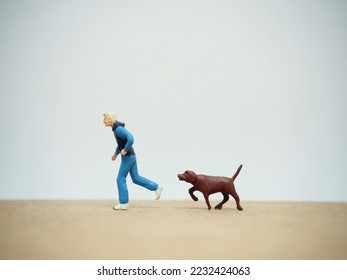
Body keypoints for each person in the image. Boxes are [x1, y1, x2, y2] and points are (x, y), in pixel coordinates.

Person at [103, 111, 163, 210]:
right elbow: (121, 144)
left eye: (105, 118)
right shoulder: (116, 129)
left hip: (128, 157)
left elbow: (130, 138)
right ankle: (156, 187)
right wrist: (116, 154)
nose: (103, 121)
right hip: (131, 155)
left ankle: (124, 203)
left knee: (120, 178)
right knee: (136, 178)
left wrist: (125, 150)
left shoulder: (118, 129)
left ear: (111, 119)